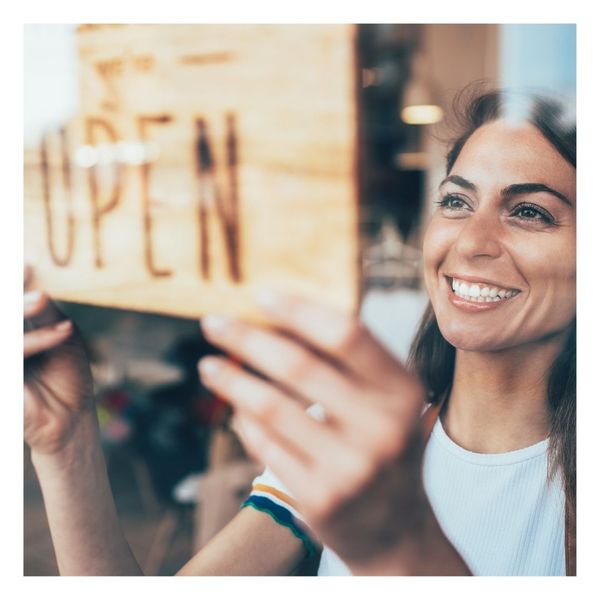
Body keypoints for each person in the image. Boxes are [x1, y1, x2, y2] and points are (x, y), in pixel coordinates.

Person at [24, 87, 575, 576]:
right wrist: (66, 438)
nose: (470, 241)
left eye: (530, 212)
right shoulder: (346, 438)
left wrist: (397, 544)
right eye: (456, 201)